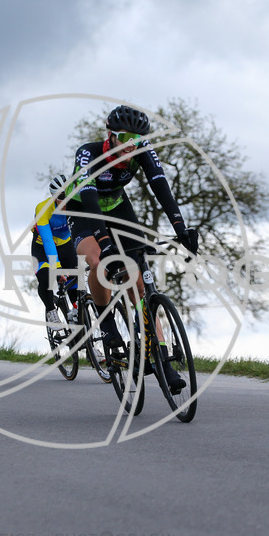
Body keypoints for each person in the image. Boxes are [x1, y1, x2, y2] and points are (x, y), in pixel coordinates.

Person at [64, 105, 198, 393]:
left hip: (117, 208)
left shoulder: (142, 151)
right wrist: (107, 244)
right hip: (83, 211)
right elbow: (89, 203)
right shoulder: (89, 154)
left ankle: (163, 360)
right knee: (99, 261)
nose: (131, 146)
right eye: (125, 138)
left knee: (139, 284)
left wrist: (181, 229)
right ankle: (107, 324)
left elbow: (161, 187)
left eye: (137, 140)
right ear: (110, 136)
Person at [32, 174, 80, 328]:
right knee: (46, 277)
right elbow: (47, 240)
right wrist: (57, 267)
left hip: (66, 245)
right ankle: (51, 310)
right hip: (42, 247)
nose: (65, 201)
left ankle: (79, 314)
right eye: (61, 197)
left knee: (75, 284)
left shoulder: (77, 205)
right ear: (53, 197)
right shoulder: (43, 209)